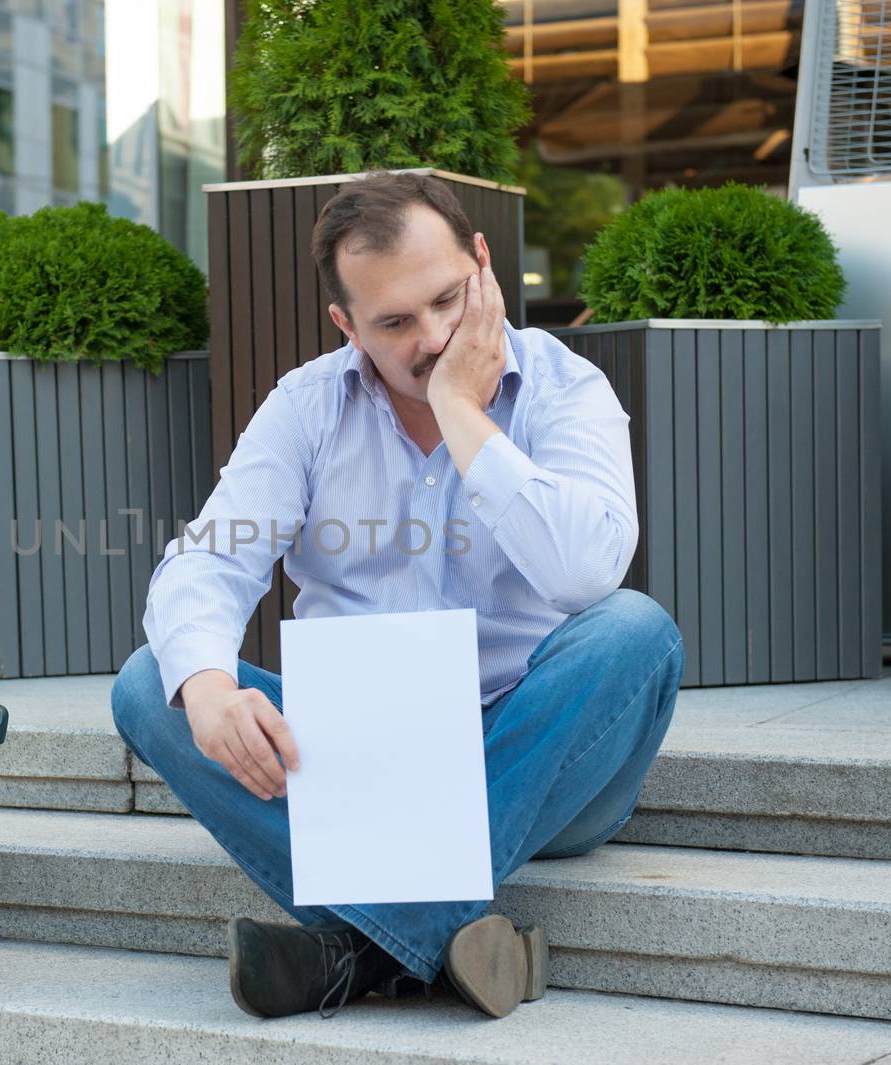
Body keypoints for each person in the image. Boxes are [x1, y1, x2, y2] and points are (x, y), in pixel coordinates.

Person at [111, 171, 683, 1021]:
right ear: (346, 324)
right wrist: (208, 688)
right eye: (395, 323)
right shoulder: (305, 408)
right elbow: (208, 558)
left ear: (483, 264)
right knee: (151, 683)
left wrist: (461, 411)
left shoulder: (567, 388)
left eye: (448, 299)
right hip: (366, 763)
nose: (435, 336)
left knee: (634, 631)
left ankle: (355, 954)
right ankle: (446, 942)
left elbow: (586, 571)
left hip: (540, 749)